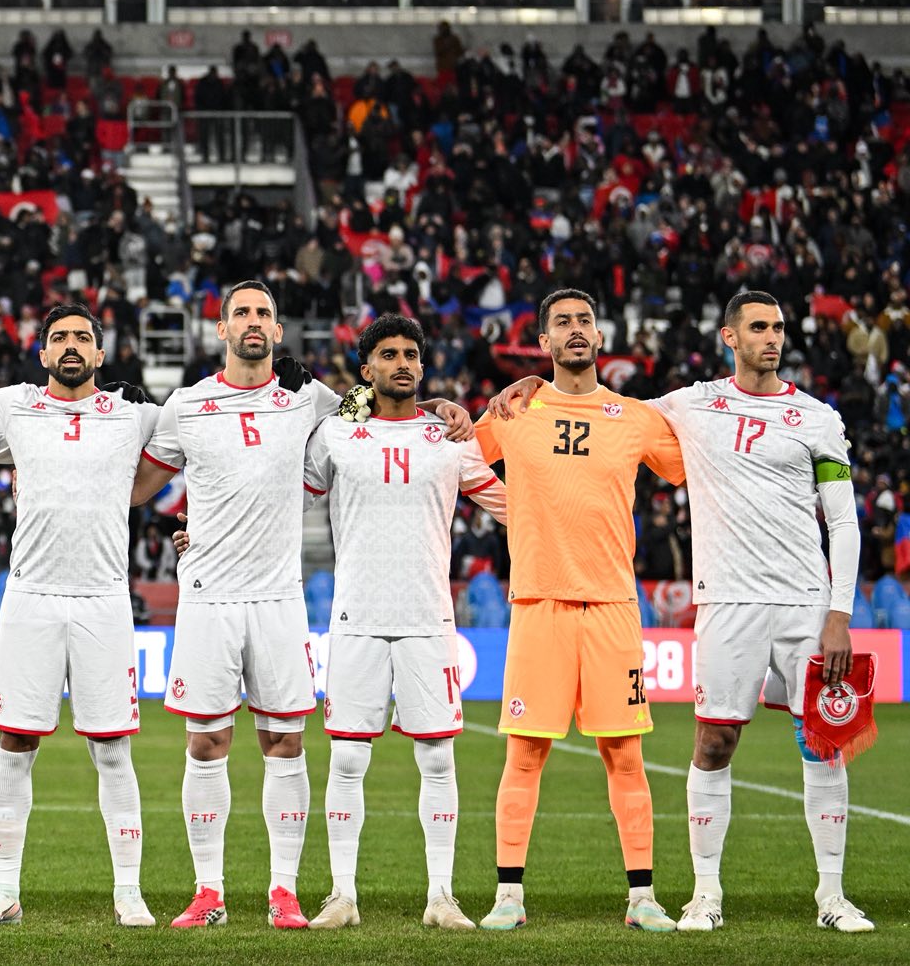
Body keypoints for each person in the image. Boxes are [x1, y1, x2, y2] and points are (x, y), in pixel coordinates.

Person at [502, 291, 870, 932]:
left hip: (806, 602)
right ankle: (705, 895)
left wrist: (839, 611)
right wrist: (535, 385)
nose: (772, 338)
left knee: (823, 744)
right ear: (729, 337)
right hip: (726, 601)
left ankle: (832, 897)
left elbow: (842, 522)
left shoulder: (818, 418)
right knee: (714, 741)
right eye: (759, 327)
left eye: (778, 328)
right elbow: (597, 409)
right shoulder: (689, 404)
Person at [133, 282, 470, 931]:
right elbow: (139, 488)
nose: (252, 322)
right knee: (206, 741)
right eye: (241, 313)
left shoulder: (311, 398)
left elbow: (389, 405)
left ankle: (283, 893)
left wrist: (441, 405)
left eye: (263, 313)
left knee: (285, 741)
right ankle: (208, 893)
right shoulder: (187, 404)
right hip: (208, 596)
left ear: (278, 331)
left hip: (280, 595)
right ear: (221, 329)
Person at [469, 289, 685, 932]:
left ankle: (642, 899)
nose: (576, 329)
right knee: (525, 755)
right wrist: (509, 507)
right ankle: (508, 897)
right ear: (543, 342)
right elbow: (454, 460)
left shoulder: (636, 417)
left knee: (625, 755)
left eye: (585, 320)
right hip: (539, 603)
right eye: (562, 322)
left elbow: (696, 465)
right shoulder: (515, 410)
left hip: (613, 605)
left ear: (600, 335)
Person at [0, 304, 158, 929]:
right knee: (15, 744)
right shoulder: (16, 404)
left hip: (103, 598)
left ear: (100, 354)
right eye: (59, 337)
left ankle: (129, 892)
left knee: (112, 748)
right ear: (41, 353)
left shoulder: (133, 414)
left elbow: (200, 426)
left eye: (82, 338)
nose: (71, 345)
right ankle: (4, 891)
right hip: (30, 598)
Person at [295, 315, 503, 930]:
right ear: (367, 370)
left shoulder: (450, 437)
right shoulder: (336, 433)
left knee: (437, 758)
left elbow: (509, 505)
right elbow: (284, 498)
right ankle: (342, 896)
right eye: (388, 354)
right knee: (346, 760)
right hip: (356, 618)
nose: (403, 363)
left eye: (411, 354)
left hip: (427, 619)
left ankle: (441, 897)